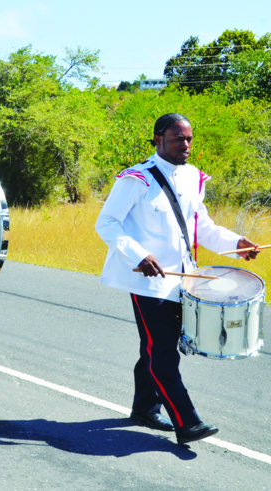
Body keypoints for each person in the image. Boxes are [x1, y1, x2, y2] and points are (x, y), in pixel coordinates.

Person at [95, 113, 260, 445]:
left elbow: (203, 227)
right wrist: (139, 255)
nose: (185, 145)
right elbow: (107, 223)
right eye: (177, 139)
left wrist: (235, 244)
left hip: (182, 278)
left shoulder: (192, 178)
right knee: (164, 353)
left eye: (188, 139)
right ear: (157, 139)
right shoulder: (136, 179)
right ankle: (188, 422)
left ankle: (144, 408)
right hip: (147, 280)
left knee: (156, 348)